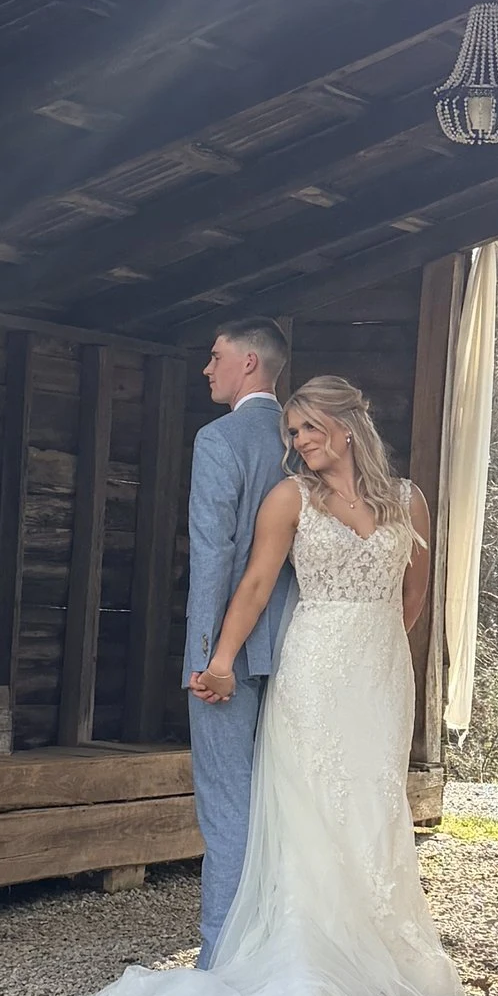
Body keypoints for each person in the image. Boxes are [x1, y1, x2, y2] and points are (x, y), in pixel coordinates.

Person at [24, 374, 498, 996]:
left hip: (378, 672)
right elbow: (256, 584)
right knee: (313, 808)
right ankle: (312, 972)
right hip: (313, 667)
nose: (299, 441)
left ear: (346, 424)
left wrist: (381, 650)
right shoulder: (290, 500)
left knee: (372, 811)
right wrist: (222, 660)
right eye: (292, 431)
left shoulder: (408, 500)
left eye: (309, 427)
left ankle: (378, 964)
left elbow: (415, 591)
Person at [182, 318, 296, 963]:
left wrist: (207, 655)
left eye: (216, 355)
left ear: (249, 362)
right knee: (286, 804)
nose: (207, 368)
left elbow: (213, 554)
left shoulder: (220, 438)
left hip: (229, 652)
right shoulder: (305, 440)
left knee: (227, 808)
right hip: (300, 646)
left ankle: (221, 961)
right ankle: (281, 953)